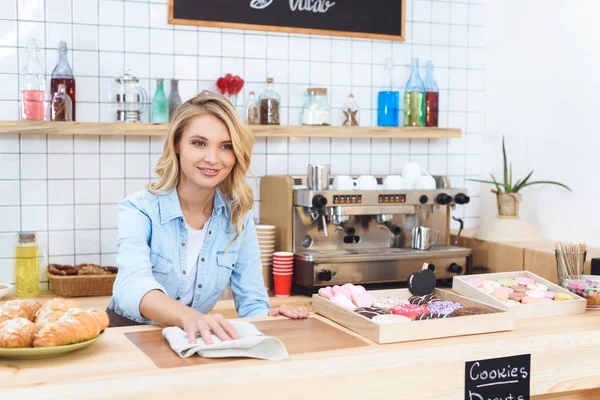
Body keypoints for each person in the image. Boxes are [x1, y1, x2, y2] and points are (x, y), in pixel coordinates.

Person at [107, 91, 308, 344]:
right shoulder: (139, 209)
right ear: (177, 145)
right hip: (128, 339)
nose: (212, 158)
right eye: (199, 143)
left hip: (191, 340)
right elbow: (131, 287)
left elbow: (252, 302)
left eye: (225, 146)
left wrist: (270, 315)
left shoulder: (238, 216)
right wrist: (189, 317)